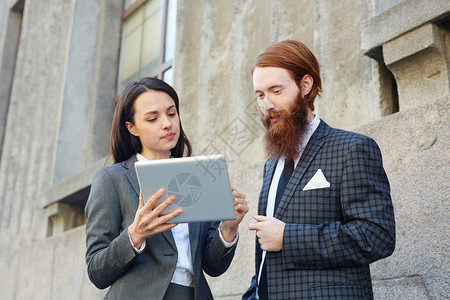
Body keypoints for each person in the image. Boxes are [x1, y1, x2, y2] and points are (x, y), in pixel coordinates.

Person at [242, 40, 395, 299]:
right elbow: (268, 251)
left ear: (305, 85)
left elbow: (377, 235)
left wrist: (288, 237)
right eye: (260, 95)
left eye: (276, 91)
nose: (267, 105)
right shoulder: (272, 164)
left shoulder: (353, 148)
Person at [85, 77, 248, 300]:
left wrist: (228, 230)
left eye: (171, 114)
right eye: (153, 118)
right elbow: (96, 271)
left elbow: (213, 267)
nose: (167, 124)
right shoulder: (112, 179)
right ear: (131, 128)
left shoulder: (198, 173)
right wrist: (135, 234)